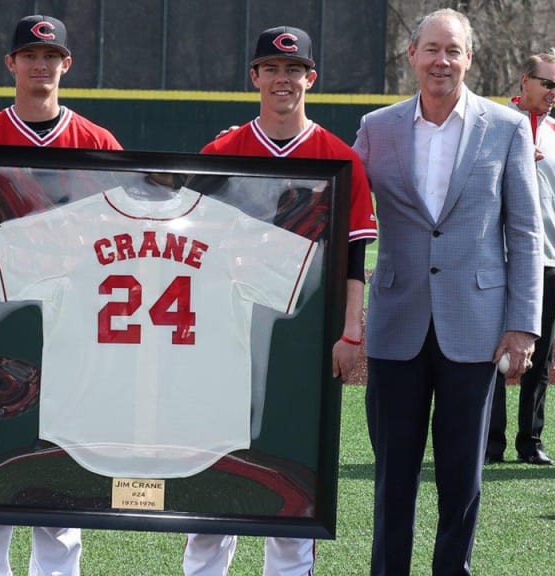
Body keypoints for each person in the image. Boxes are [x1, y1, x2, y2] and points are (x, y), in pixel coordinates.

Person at [0, 15, 121, 576]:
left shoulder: (97, 143)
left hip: (75, 323)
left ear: (66, 65)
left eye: (50, 55)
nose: (40, 65)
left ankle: (57, 571)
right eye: (30, 56)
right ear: (11, 64)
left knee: (62, 453)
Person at [352, 9, 543, 576]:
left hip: (476, 327)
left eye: (453, 50)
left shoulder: (506, 128)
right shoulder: (377, 127)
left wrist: (523, 324)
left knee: (462, 477)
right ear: (411, 55)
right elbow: (345, 208)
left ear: (469, 59)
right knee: (392, 476)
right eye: (431, 49)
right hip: (394, 325)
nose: (442, 61)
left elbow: (527, 233)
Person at [181, 25, 377, 576]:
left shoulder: (339, 158)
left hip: (304, 337)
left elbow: (355, 260)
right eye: (271, 68)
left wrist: (350, 332)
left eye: (294, 70)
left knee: (295, 470)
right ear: (255, 77)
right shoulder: (222, 152)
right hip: (224, 334)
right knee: (213, 468)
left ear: (310, 78)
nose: (283, 79)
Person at [486, 49, 555, 467]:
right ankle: (489, 444)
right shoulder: (490, 125)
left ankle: (530, 442)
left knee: (539, 355)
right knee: (490, 351)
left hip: (544, 258)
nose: (554, 92)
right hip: (494, 256)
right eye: (547, 83)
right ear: (524, 81)